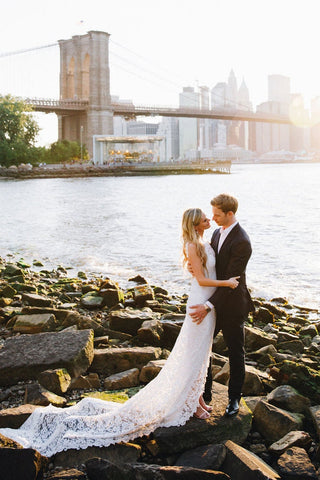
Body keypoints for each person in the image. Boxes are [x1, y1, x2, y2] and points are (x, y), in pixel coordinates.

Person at [0, 208, 238, 457]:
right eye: (204, 218)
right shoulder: (192, 245)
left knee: (200, 355)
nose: (209, 220)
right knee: (192, 355)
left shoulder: (204, 241)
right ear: (195, 223)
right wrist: (227, 283)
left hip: (209, 306)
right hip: (200, 302)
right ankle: (190, 404)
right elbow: (201, 279)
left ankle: (197, 401)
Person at [189, 194, 255, 417]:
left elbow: (231, 281)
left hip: (233, 304)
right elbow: (212, 266)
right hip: (214, 299)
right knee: (203, 346)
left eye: (217, 215)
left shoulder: (242, 241)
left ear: (230, 214)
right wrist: (195, 269)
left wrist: (207, 305)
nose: (213, 219)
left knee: (236, 352)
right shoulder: (217, 232)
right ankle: (204, 393)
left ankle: (234, 398)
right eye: (213, 214)